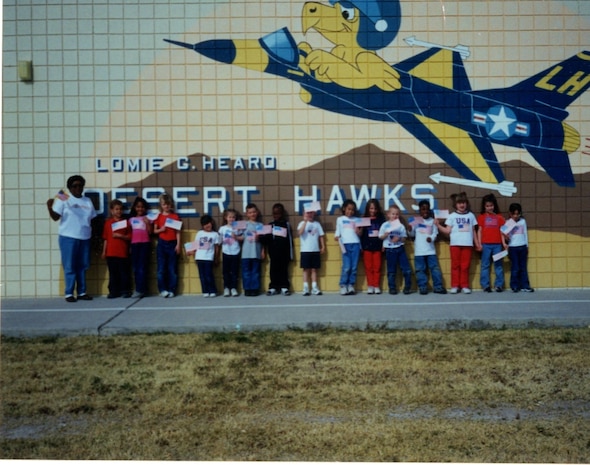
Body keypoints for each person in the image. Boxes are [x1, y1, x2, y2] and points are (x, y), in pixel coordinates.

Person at [47, 175, 97, 302]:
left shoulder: (87, 201)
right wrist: (49, 207)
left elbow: (93, 219)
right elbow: (55, 217)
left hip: (85, 237)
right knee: (69, 266)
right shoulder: (64, 197)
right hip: (68, 237)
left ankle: (82, 292)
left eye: (80, 185)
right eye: (74, 186)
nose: (78, 188)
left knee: (83, 266)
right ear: (69, 187)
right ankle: (69, 293)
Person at [436, 192, 480, 294]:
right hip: (455, 244)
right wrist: (438, 225)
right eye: (459, 203)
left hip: (468, 244)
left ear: (466, 203)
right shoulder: (452, 216)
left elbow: (474, 231)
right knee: (455, 265)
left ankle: (464, 285)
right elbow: (447, 231)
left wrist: (477, 243)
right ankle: (455, 285)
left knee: (465, 266)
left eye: (463, 202)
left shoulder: (471, 215)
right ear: (455, 204)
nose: (462, 205)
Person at [408, 200, 446, 295]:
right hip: (419, 251)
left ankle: (438, 286)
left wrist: (431, 238)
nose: (425, 211)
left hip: (430, 251)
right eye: (423, 209)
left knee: (435, 269)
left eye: (427, 209)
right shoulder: (416, 221)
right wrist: (409, 229)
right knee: (420, 270)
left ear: (430, 210)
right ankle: (422, 287)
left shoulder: (433, 221)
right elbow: (412, 234)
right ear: (419, 211)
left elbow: (435, 233)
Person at [101, 199, 132, 298]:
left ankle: (125, 290)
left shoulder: (125, 222)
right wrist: (104, 251)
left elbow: (130, 237)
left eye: (120, 209)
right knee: (113, 273)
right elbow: (106, 238)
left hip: (122, 252)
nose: (119, 211)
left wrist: (120, 236)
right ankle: (113, 291)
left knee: (124, 273)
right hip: (111, 253)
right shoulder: (108, 223)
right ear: (111, 210)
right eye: (116, 209)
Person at [379, 205, 412, 295]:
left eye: (397, 214)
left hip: (400, 248)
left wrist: (399, 238)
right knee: (391, 271)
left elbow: (405, 237)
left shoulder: (400, 225)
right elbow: (380, 237)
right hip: (390, 250)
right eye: (393, 214)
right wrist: (385, 235)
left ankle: (407, 287)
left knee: (406, 269)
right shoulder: (385, 225)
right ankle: (392, 287)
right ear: (388, 214)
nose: (395, 216)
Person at [477, 193, 507, 292]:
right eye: (487, 206)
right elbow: (479, 230)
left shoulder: (499, 217)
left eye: (491, 205)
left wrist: (504, 243)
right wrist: (479, 243)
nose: (489, 208)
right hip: (486, 244)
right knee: (485, 265)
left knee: (498, 265)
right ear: (484, 206)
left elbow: (503, 230)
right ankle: (485, 285)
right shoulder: (481, 217)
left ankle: (499, 285)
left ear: (494, 205)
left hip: (497, 244)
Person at [153, 193, 181, 298]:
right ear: (161, 205)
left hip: (172, 243)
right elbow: (154, 231)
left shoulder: (175, 216)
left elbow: (178, 231)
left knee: (172, 269)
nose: (167, 206)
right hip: (162, 244)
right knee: (161, 269)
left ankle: (172, 289)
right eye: (164, 204)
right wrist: (161, 229)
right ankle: (162, 289)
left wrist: (178, 244)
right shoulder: (159, 217)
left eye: (168, 204)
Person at [188, 215, 221, 297]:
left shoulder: (215, 234)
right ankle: (205, 291)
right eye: (205, 224)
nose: (207, 225)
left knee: (209, 275)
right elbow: (195, 244)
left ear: (212, 223)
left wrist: (216, 258)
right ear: (202, 226)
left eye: (208, 223)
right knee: (202, 276)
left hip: (209, 258)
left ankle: (212, 290)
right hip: (199, 257)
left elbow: (217, 247)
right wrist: (191, 252)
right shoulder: (199, 233)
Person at [264, 203, 294, 296]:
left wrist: (291, 255)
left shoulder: (286, 224)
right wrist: (259, 236)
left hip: (284, 253)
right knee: (273, 270)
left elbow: (289, 240)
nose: (276, 216)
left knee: (284, 270)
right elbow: (266, 239)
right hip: (273, 253)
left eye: (278, 213)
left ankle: (284, 286)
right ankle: (273, 287)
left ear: (282, 214)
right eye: (274, 214)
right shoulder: (270, 225)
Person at [334, 200, 362, 295]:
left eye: (352, 210)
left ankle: (351, 285)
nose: (350, 211)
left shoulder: (357, 219)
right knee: (346, 266)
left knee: (354, 267)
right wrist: (336, 236)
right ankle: (343, 285)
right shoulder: (340, 219)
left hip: (356, 244)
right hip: (345, 244)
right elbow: (338, 230)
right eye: (348, 209)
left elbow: (360, 233)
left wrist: (358, 231)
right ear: (344, 209)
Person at [505, 203, 534, 293]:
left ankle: (525, 285)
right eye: (514, 214)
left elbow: (525, 233)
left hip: (522, 246)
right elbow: (503, 233)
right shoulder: (508, 222)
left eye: (518, 214)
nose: (516, 216)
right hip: (513, 247)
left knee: (523, 267)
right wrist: (506, 240)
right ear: (510, 214)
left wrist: (527, 245)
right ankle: (514, 285)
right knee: (515, 267)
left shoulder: (522, 221)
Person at [239, 203, 266, 296]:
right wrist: (234, 237)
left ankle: (255, 289)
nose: (252, 214)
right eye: (250, 212)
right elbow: (241, 237)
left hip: (256, 253)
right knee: (246, 272)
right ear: (247, 214)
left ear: (257, 212)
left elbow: (263, 240)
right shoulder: (244, 224)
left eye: (254, 212)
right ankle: (247, 289)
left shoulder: (260, 225)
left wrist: (263, 251)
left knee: (255, 272)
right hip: (246, 253)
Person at [297, 209, 326, 296]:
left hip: (315, 250)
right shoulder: (301, 224)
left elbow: (321, 236)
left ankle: (314, 287)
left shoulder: (317, 224)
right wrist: (305, 222)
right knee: (306, 270)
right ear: (303, 213)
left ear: (314, 214)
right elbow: (300, 232)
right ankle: (305, 287)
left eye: (311, 213)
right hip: (305, 250)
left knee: (314, 270)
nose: (309, 214)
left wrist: (323, 246)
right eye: (307, 213)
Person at [129, 197, 152, 298]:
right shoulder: (131, 220)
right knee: (135, 268)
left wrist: (147, 223)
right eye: (138, 207)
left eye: (142, 207)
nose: (140, 209)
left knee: (142, 267)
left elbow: (150, 232)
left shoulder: (147, 218)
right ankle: (138, 288)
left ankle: (141, 290)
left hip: (144, 244)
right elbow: (129, 233)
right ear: (134, 207)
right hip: (134, 245)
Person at [361, 199, 386, 294]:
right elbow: (360, 234)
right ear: (368, 209)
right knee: (368, 267)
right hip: (366, 247)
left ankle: (376, 285)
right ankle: (370, 285)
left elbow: (384, 233)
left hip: (378, 247)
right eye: (371, 208)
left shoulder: (381, 220)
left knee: (377, 267)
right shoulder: (364, 219)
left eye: (375, 208)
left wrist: (383, 245)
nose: (373, 210)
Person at [218, 208, 242, 297]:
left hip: (236, 252)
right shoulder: (222, 229)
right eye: (230, 217)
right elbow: (219, 240)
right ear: (225, 218)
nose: (231, 219)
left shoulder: (237, 228)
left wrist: (236, 236)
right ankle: (226, 288)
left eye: (233, 217)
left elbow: (242, 237)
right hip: (226, 252)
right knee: (226, 271)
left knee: (235, 271)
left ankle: (234, 288)